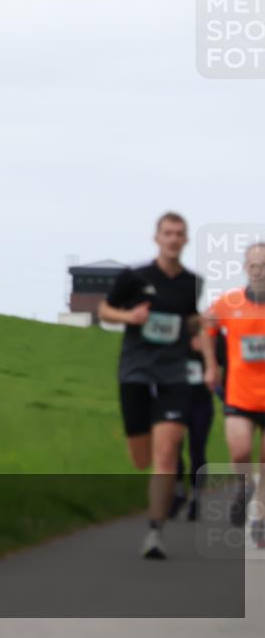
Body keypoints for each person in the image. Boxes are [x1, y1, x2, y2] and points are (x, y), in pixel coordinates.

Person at [98, 212, 216, 559]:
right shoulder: (133, 277)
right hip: (135, 372)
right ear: (157, 237)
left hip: (174, 375)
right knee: (141, 458)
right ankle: (158, 495)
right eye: (168, 233)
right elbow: (105, 309)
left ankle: (155, 532)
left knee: (165, 457)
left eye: (179, 233)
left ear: (186, 240)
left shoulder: (192, 282)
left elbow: (192, 321)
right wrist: (128, 317)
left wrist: (209, 361)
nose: (173, 239)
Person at [204, 242, 265, 547]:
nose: (260, 272)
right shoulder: (229, 303)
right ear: (245, 268)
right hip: (239, 395)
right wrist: (211, 365)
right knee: (240, 452)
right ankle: (244, 487)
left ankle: (262, 520)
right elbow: (207, 327)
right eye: (254, 266)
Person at [167, 323, 215, 522]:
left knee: (197, 450)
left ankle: (196, 498)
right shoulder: (171, 336)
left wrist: (206, 351)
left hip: (200, 403)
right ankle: (179, 493)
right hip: (175, 400)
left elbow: (224, 360)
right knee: (172, 449)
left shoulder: (206, 337)